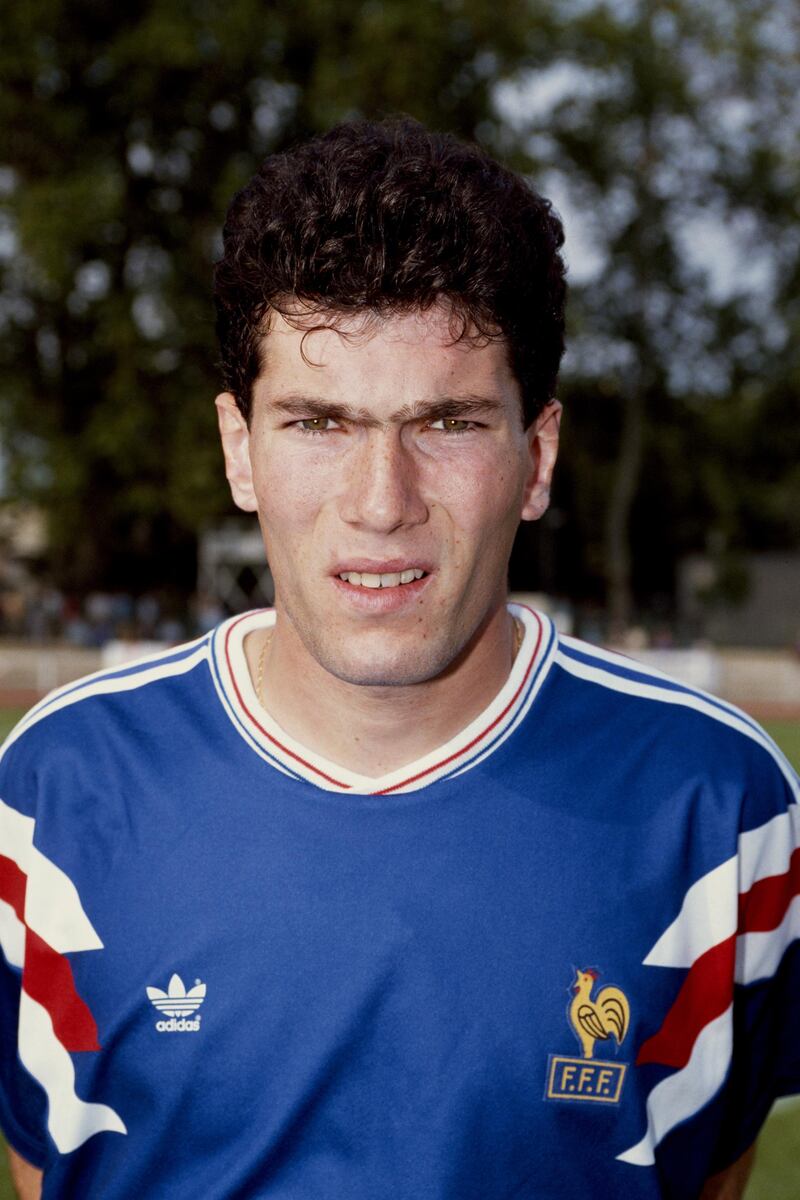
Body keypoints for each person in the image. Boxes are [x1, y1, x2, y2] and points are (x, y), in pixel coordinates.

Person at [1, 117, 798, 1200]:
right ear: (240, 449)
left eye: (448, 423)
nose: (382, 502)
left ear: (536, 456)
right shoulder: (57, 792)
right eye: (319, 422)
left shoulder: (716, 809)